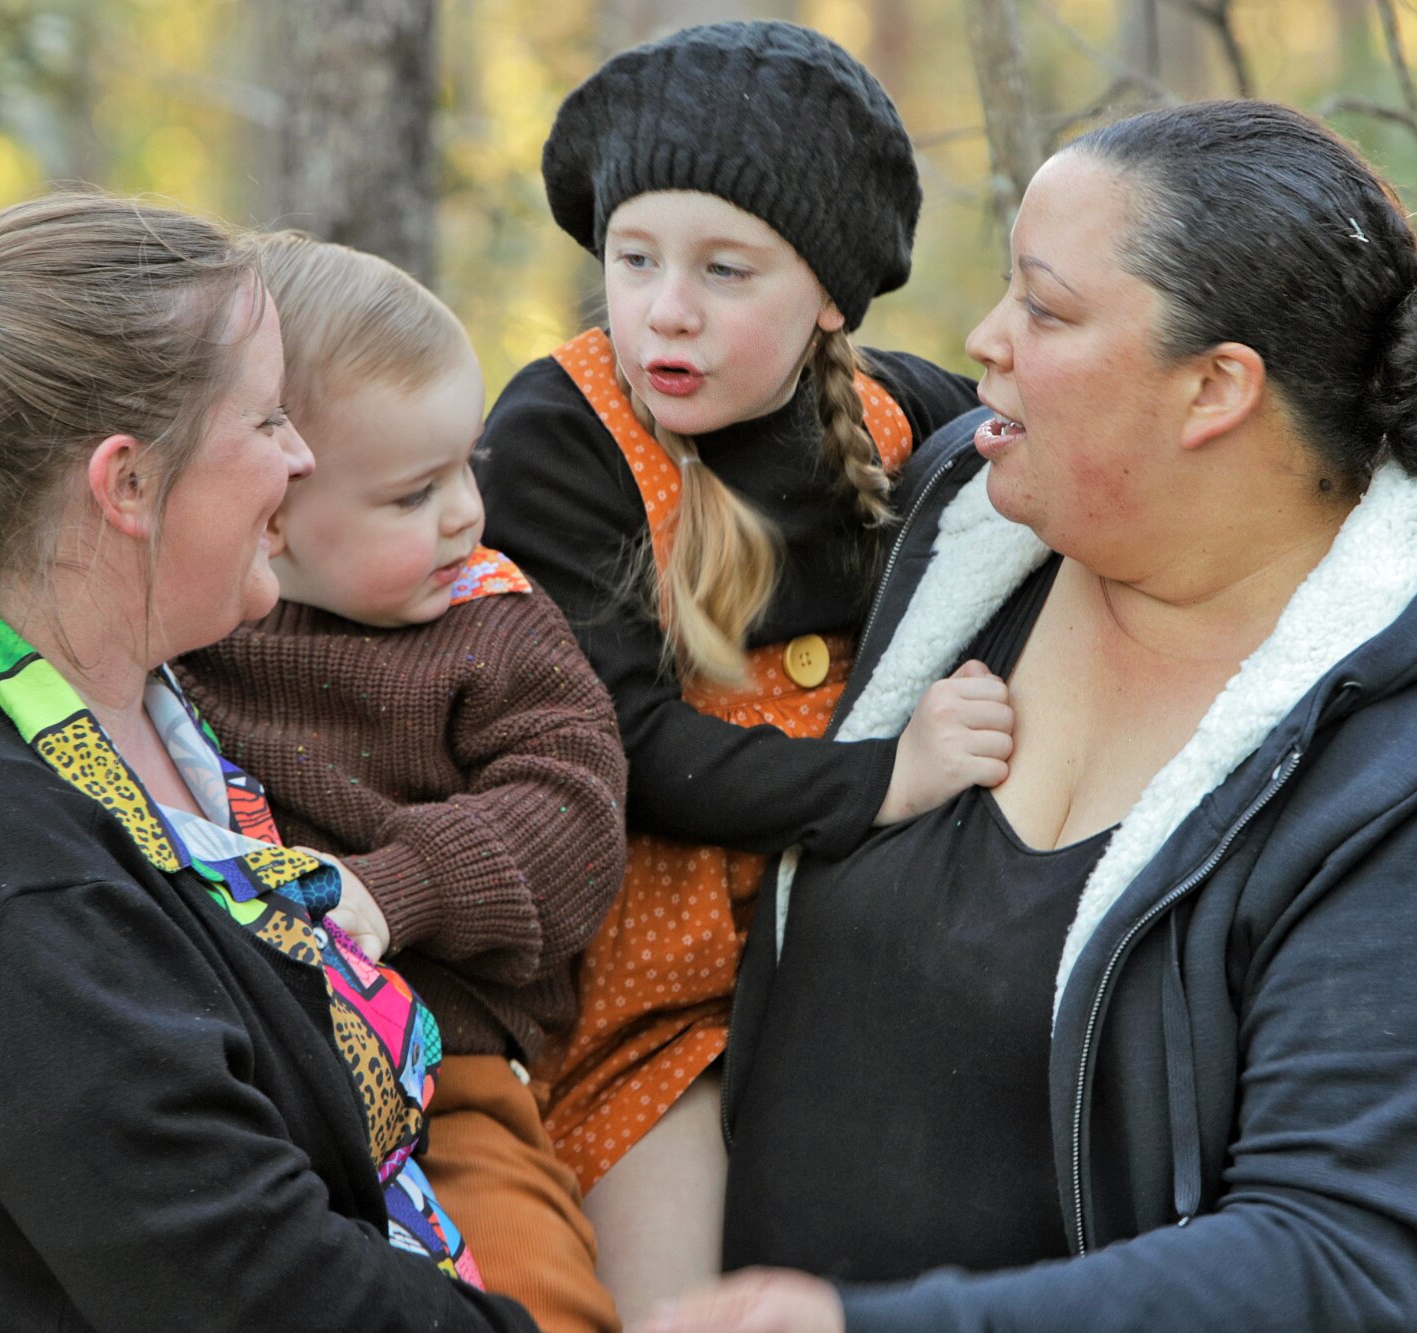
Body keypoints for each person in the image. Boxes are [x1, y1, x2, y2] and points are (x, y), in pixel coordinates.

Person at [659, 100, 1417, 1333]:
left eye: (1045, 310)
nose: (984, 340)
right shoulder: (959, 526)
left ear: (1212, 388)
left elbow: (1334, 1272)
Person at [0, 192, 535, 1332]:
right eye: (266, 422)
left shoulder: (125, 718)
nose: (302, 458)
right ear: (127, 484)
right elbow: (263, 1293)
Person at [475, 19, 1000, 1323]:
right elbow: (629, 746)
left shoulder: (891, 413)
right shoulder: (560, 438)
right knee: (679, 1292)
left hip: (852, 964)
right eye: (635, 257)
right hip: (649, 998)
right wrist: (884, 777)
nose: (668, 307)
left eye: (726, 268)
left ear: (827, 292)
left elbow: (1051, 470)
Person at [172, 231, 627, 1333]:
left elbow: (573, 812)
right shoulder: (189, 634)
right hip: (248, 1079)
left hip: (448, 1082)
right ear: (270, 512)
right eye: (413, 492)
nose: (466, 512)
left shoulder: (491, 623)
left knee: (535, 1293)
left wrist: (397, 885)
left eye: (465, 466)